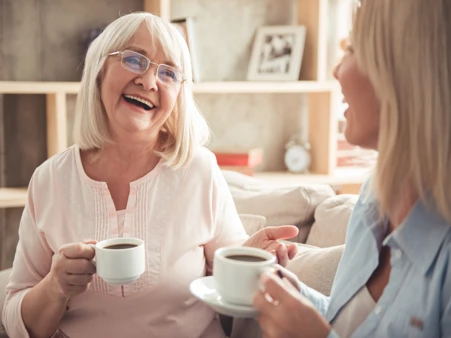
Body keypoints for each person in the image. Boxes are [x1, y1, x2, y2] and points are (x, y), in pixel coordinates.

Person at [1, 12, 299, 338]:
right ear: (99, 70)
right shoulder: (49, 181)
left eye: (168, 73)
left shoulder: (200, 170)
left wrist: (252, 256)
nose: (149, 81)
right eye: (134, 59)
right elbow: (18, 319)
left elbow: (228, 286)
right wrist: (55, 286)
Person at [253, 0, 451, 337]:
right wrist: (288, 292)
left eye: (353, 50)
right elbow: (351, 322)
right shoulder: (375, 194)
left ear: (404, 73)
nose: (336, 71)